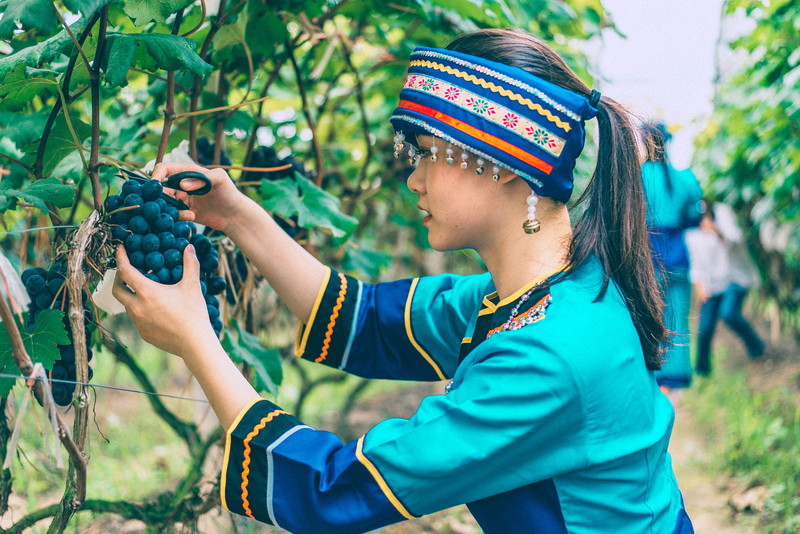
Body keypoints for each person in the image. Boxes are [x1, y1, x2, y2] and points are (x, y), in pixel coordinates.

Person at [112, 29, 693, 534]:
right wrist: (238, 216)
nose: (412, 179)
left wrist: (195, 341)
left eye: (428, 154)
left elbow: (331, 492)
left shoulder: (549, 354)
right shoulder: (545, 295)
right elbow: (366, 320)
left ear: (506, 162)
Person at [641, 122, 703, 390]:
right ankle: (676, 377)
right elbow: (695, 216)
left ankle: (653, 376)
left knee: (650, 316)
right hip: (678, 257)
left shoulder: (639, 175)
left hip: (649, 259)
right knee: (678, 318)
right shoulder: (684, 178)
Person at [685, 202, 764, 376]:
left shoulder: (722, 212)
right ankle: (702, 370)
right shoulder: (691, 230)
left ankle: (757, 347)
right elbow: (695, 263)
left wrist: (716, 230)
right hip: (711, 285)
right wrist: (699, 286)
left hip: (735, 278)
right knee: (704, 328)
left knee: (729, 313)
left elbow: (736, 240)